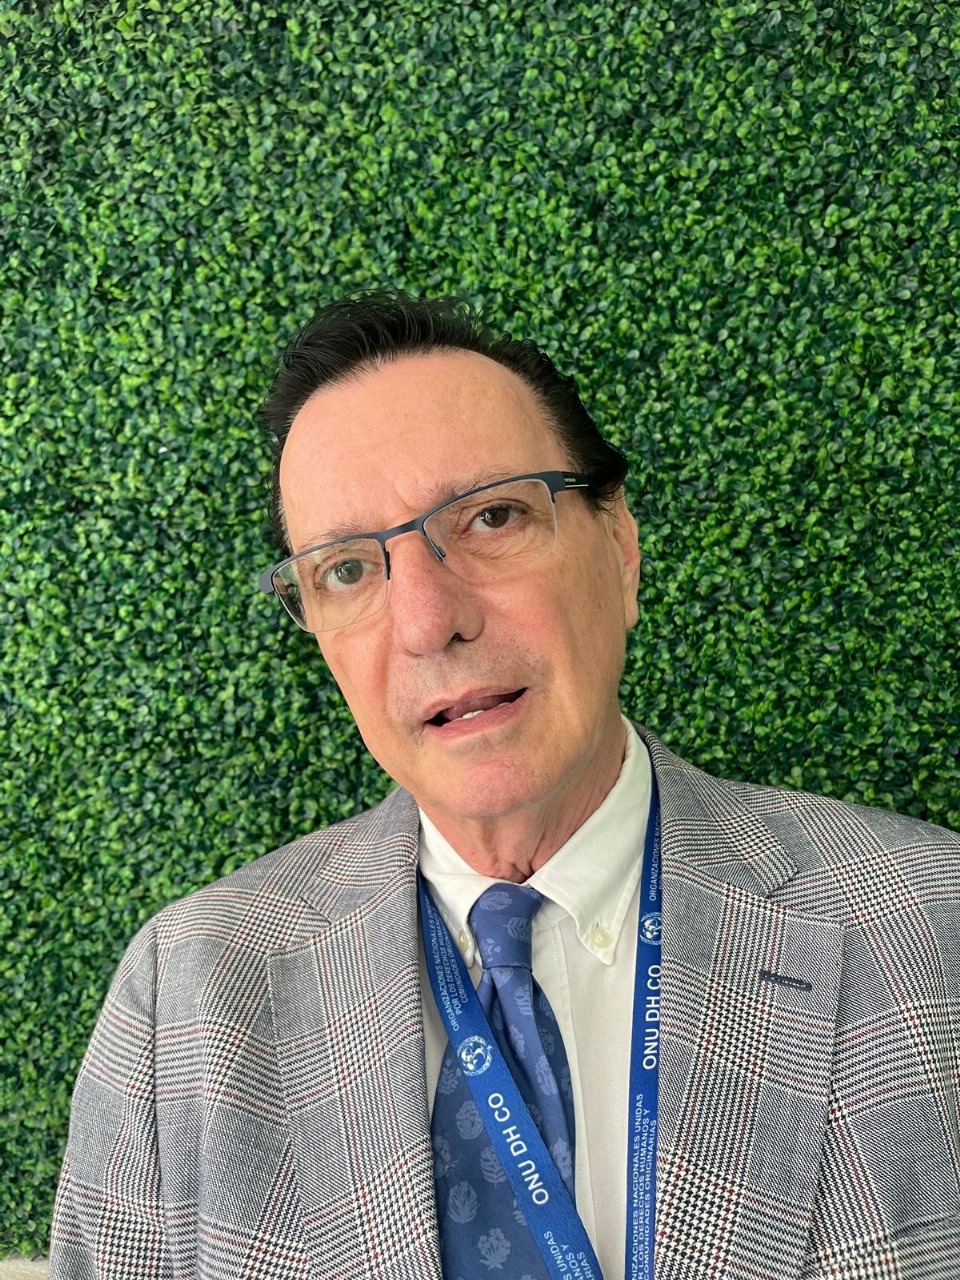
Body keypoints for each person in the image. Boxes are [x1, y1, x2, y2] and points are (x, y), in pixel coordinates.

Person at [50, 291, 960, 1280]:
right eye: (348, 569)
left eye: (492, 516)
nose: (428, 621)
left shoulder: (930, 931)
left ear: (619, 545)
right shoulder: (184, 997)